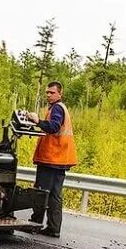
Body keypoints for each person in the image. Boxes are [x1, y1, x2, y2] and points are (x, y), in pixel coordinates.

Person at [26, 81, 78, 238]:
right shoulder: (62, 109)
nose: (48, 95)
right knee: (55, 195)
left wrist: (37, 121)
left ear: (60, 94)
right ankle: (53, 228)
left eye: (52, 92)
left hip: (51, 159)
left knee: (41, 192)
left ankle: (34, 224)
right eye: (47, 92)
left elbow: (53, 127)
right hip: (60, 160)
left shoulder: (56, 109)